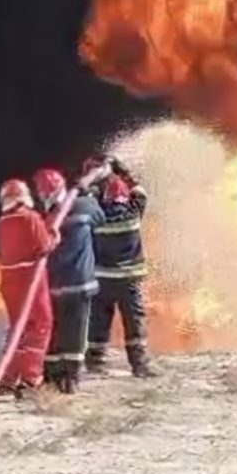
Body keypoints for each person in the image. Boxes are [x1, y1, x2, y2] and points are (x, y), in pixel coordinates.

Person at [82, 154, 161, 378]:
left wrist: (91, 180)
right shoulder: (134, 211)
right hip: (129, 280)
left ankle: (95, 362)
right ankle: (140, 364)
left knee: (99, 320)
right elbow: (140, 192)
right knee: (134, 321)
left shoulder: (96, 216)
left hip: (102, 278)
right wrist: (122, 170)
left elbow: (81, 200)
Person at [34, 167, 106, 394]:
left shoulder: (42, 219)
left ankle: (51, 378)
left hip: (53, 288)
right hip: (80, 286)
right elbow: (100, 220)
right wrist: (91, 194)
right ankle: (71, 379)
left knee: (53, 332)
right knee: (75, 333)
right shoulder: (85, 206)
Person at [0, 178, 58, 395]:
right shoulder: (30, 217)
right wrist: (53, 235)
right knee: (39, 325)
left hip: (9, 280)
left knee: (17, 330)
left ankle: (8, 378)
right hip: (30, 279)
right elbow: (44, 246)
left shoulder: (2, 222)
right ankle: (31, 378)